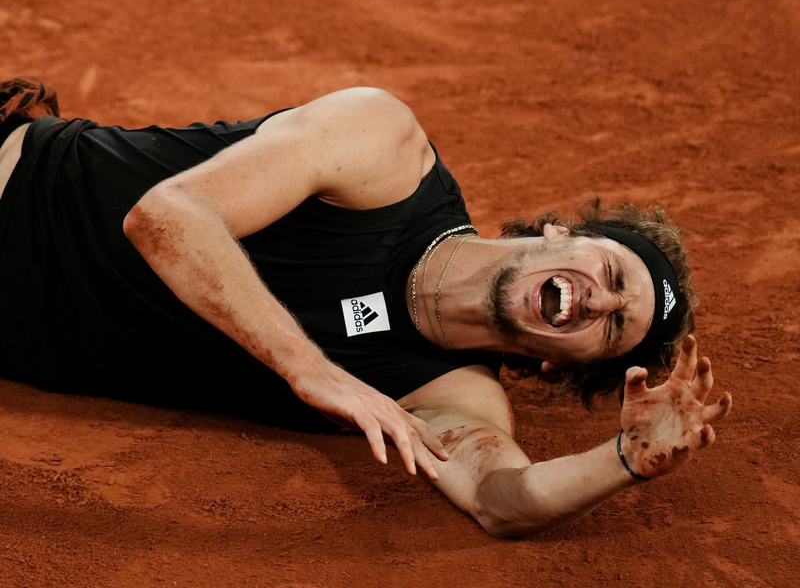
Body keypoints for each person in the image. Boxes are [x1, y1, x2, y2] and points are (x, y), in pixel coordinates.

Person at [0, 77, 731, 537]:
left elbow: (500, 498)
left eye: (614, 327)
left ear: (558, 364)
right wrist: (313, 370)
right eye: (611, 272)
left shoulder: (451, 396)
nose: (600, 299)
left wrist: (624, 460)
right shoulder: (385, 150)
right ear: (558, 234)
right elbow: (166, 217)